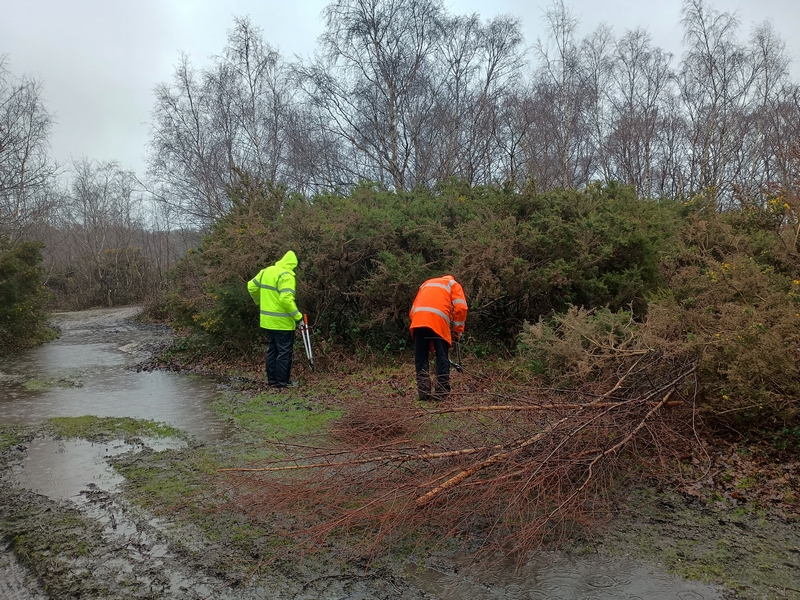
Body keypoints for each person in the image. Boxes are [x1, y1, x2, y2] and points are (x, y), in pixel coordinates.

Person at [248, 250, 304, 388]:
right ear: (293, 264)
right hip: (282, 323)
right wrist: (298, 317)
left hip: (267, 321)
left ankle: (272, 380)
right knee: (284, 351)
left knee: (272, 350)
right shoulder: (287, 275)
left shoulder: (267, 271)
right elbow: (286, 299)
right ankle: (283, 382)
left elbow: (251, 286)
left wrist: (259, 301)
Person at [409, 274, 467, 401]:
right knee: (442, 357)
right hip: (438, 322)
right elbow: (461, 308)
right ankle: (441, 392)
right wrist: (458, 330)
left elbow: (413, 309)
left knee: (421, 357)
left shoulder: (426, 283)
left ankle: (423, 392)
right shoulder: (453, 285)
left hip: (418, 321)